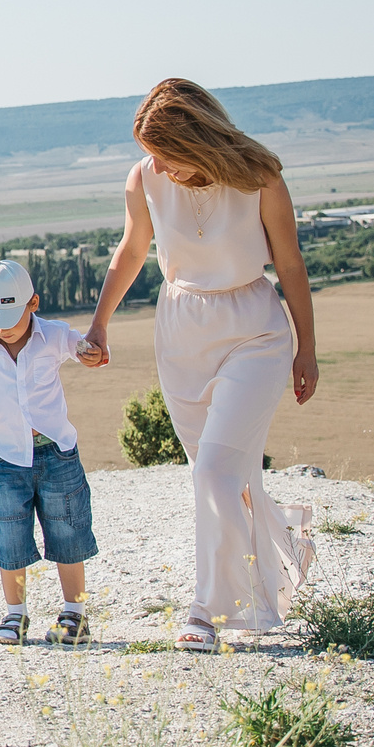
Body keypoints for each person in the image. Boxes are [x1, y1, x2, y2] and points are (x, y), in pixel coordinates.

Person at [84, 78, 320, 651]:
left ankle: (206, 611)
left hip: (255, 332)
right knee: (223, 480)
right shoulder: (144, 179)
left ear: (197, 142)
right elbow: (132, 250)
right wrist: (99, 323)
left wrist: (306, 348)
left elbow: (289, 263)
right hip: (181, 332)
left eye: (167, 155)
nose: (158, 168)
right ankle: (281, 545)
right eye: (151, 156)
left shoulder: (261, 178)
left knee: (213, 472)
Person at [0, 258, 107, 646]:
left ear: (33, 303)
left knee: (67, 532)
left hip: (57, 454)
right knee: (12, 535)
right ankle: (15, 615)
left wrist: (93, 353)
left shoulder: (53, 335)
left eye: (8, 318)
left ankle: (75, 614)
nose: (0, 328)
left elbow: (84, 347)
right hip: (7, 459)